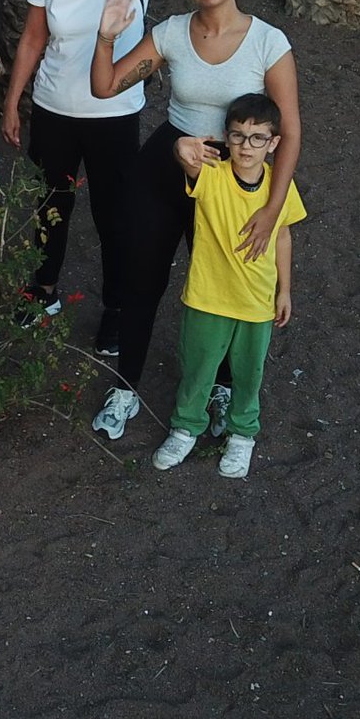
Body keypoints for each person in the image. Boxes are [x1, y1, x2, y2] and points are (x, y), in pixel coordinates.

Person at [87, 0, 302, 442]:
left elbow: (289, 131)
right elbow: (105, 86)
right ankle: (126, 387)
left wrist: (271, 209)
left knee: (230, 280)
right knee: (142, 277)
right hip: (171, 158)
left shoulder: (268, 43)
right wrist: (104, 37)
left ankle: (223, 388)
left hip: (235, 174)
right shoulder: (172, 33)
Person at [0, 0, 180, 345]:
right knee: (49, 206)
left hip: (113, 114)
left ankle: (117, 307)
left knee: (113, 215)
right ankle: (42, 290)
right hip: (55, 108)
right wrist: (14, 101)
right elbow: (33, 39)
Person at [150, 94, 305, 480]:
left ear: (273, 144)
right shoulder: (211, 175)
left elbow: (282, 236)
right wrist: (180, 143)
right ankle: (186, 428)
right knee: (198, 368)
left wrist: (284, 290)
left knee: (248, 374)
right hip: (208, 295)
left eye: (257, 138)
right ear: (225, 137)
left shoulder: (279, 186)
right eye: (237, 136)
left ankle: (242, 435)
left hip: (256, 301)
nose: (245, 146)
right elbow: (184, 154)